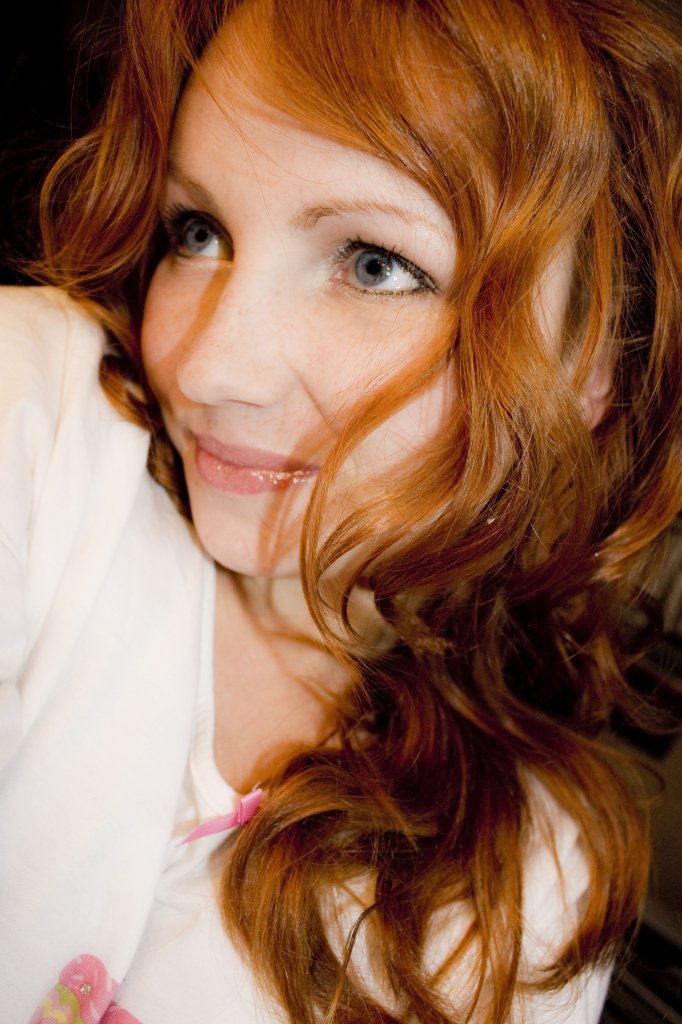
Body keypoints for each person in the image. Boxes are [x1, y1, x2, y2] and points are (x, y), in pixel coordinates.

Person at [1, 0, 680, 1021]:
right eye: (199, 231)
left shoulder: (530, 897)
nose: (208, 366)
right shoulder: (44, 417)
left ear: (588, 370)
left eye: (374, 264)